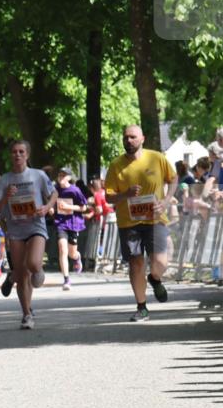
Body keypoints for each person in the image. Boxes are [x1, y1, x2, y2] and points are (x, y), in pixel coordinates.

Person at [104, 125, 177, 321]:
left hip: (155, 219)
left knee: (160, 262)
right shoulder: (116, 165)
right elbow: (109, 198)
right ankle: (142, 307)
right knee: (136, 264)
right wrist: (125, 194)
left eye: (133, 137)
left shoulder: (156, 158)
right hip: (129, 223)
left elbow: (174, 178)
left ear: (142, 138)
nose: (129, 141)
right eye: (126, 137)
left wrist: (167, 200)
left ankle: (155, 278)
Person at [0, 140, 57, 329]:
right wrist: (6, 196)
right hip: (15, 229)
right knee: (22, 274)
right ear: (10, 155)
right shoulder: (4, 180)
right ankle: (27, 314)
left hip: (36, 225)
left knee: (33, 264)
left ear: (27, 155)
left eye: (21, 152)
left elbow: (53, 194)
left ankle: (38, 270)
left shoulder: (38, 175)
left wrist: (46, 207)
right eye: (14, 152)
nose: (17, 155)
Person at [53, 169, 89, 290]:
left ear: (69, 177)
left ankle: (77, 258)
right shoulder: (55, 190)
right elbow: (51, 204)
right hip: (61, 223)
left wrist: (69, 207)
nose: (61, 177)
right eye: (59, 175)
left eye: (63, 175)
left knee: (72, 253)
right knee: (62, 250)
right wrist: (51, 209)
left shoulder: (75, 190)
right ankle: (66, 280)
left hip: (73, 224)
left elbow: (84, 207)